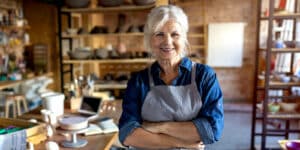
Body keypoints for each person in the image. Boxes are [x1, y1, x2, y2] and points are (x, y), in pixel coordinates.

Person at [118, 5, 224, 149]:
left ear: (184, 38)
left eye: (175, 34)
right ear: (150, 40)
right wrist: (181, 143)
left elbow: (211, 130)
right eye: (159, 34)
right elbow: (127, 133)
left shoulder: (204, 76)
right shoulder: (139, 81)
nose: (167, 42)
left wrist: (161, 127)